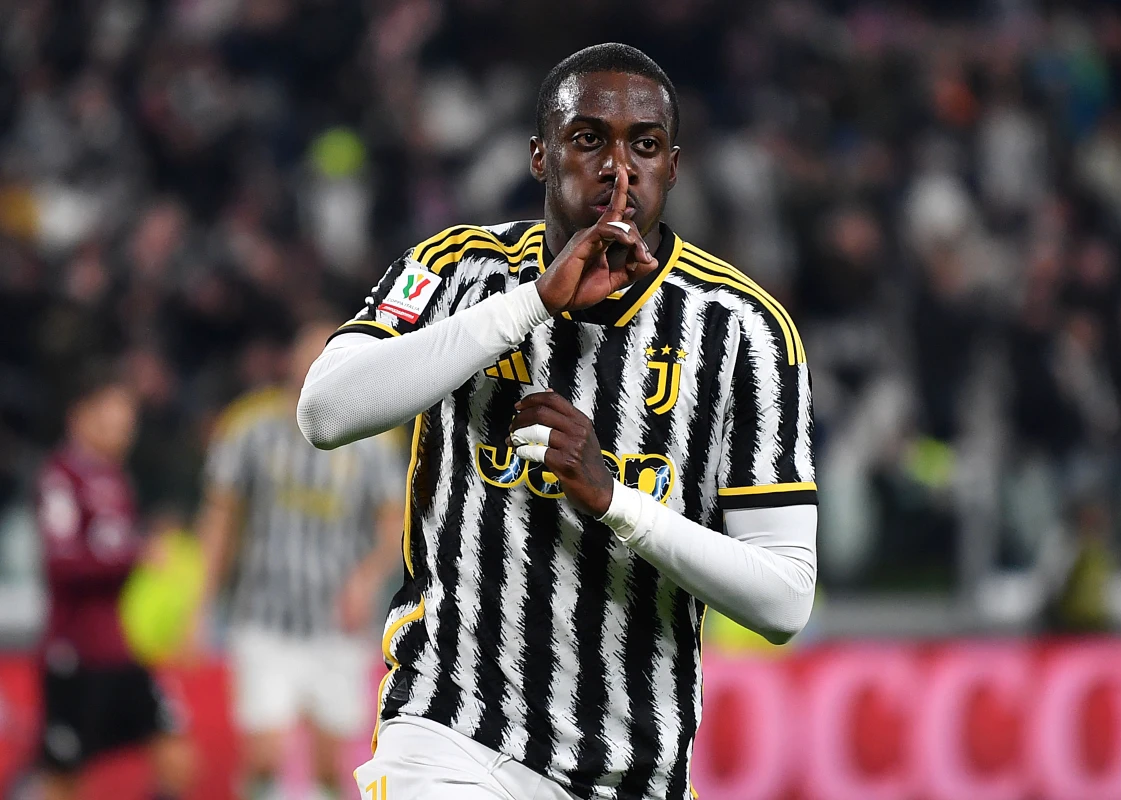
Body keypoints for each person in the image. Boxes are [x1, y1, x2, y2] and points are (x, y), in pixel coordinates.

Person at [298, 43, 819, 800]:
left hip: (637, 771)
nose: (618, 168)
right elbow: (324, 409)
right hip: (453, 736)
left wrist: (615, 502)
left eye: (645, 146)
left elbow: (784, 599)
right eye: (589, 139)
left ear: (673, 167)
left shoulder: (744, 330)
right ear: (541, 156)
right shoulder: (455, 270)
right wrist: (533, 303)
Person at [196, 319, 407, 800]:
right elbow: (221, 515)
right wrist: (202, 601)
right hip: (264, 617)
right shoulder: (251, 426)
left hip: (337, 623)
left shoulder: (372, 434)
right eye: (308, 357)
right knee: (264, 755)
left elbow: (393, 520)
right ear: (291, 361)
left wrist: (367, 579)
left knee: (331, 766)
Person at [34, 368, 192, 800]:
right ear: (81, 416)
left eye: (128, 423)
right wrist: (134, 554)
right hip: (74, 653)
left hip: (121, 649)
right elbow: (61, 564)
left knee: (176, 757)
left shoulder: (117, 479)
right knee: (64, 778)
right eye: (113, 419)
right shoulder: (60, 476)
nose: (124, 431)